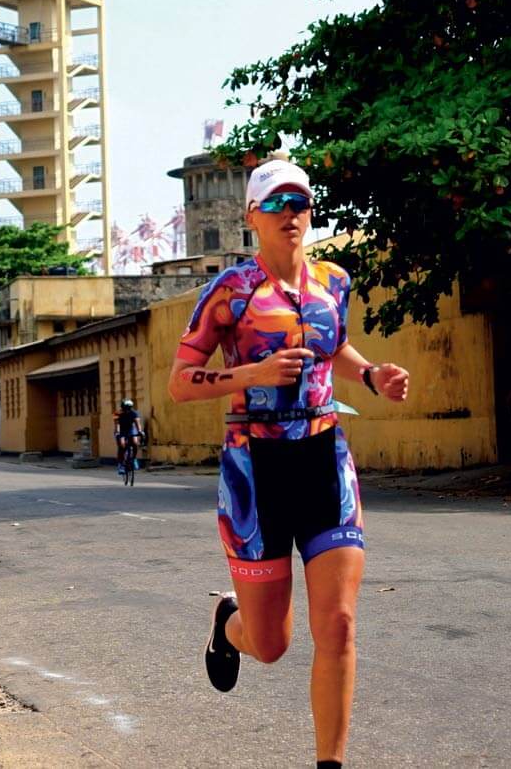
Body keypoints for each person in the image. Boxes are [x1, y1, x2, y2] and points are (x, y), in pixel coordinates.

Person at [167, 158, 410, 769]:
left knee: (341, 625)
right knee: (271, 645)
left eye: (300, 203)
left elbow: (338, 347)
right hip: (256, 468)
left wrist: (372, 374)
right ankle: (229, 624)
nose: (291, 215)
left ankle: (330, 762)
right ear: (253, 216)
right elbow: (178, 382)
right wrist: (250, 374)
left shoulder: (334, 281)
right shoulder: (230, 293)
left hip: (325, 458)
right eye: (277, 204)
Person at [114, 399, 144, 472]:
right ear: (122, 407)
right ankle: (121, 464)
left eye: (129, 408)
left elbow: (137, 423)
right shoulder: (117, 413)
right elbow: (117, 424)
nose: (127, 410)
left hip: (131, 429)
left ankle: (133, 459)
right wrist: (117, 432)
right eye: (125, 408)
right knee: (122, 445)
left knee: (135, 442)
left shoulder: (134, 413)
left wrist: (140, 431)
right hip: (121, 430)